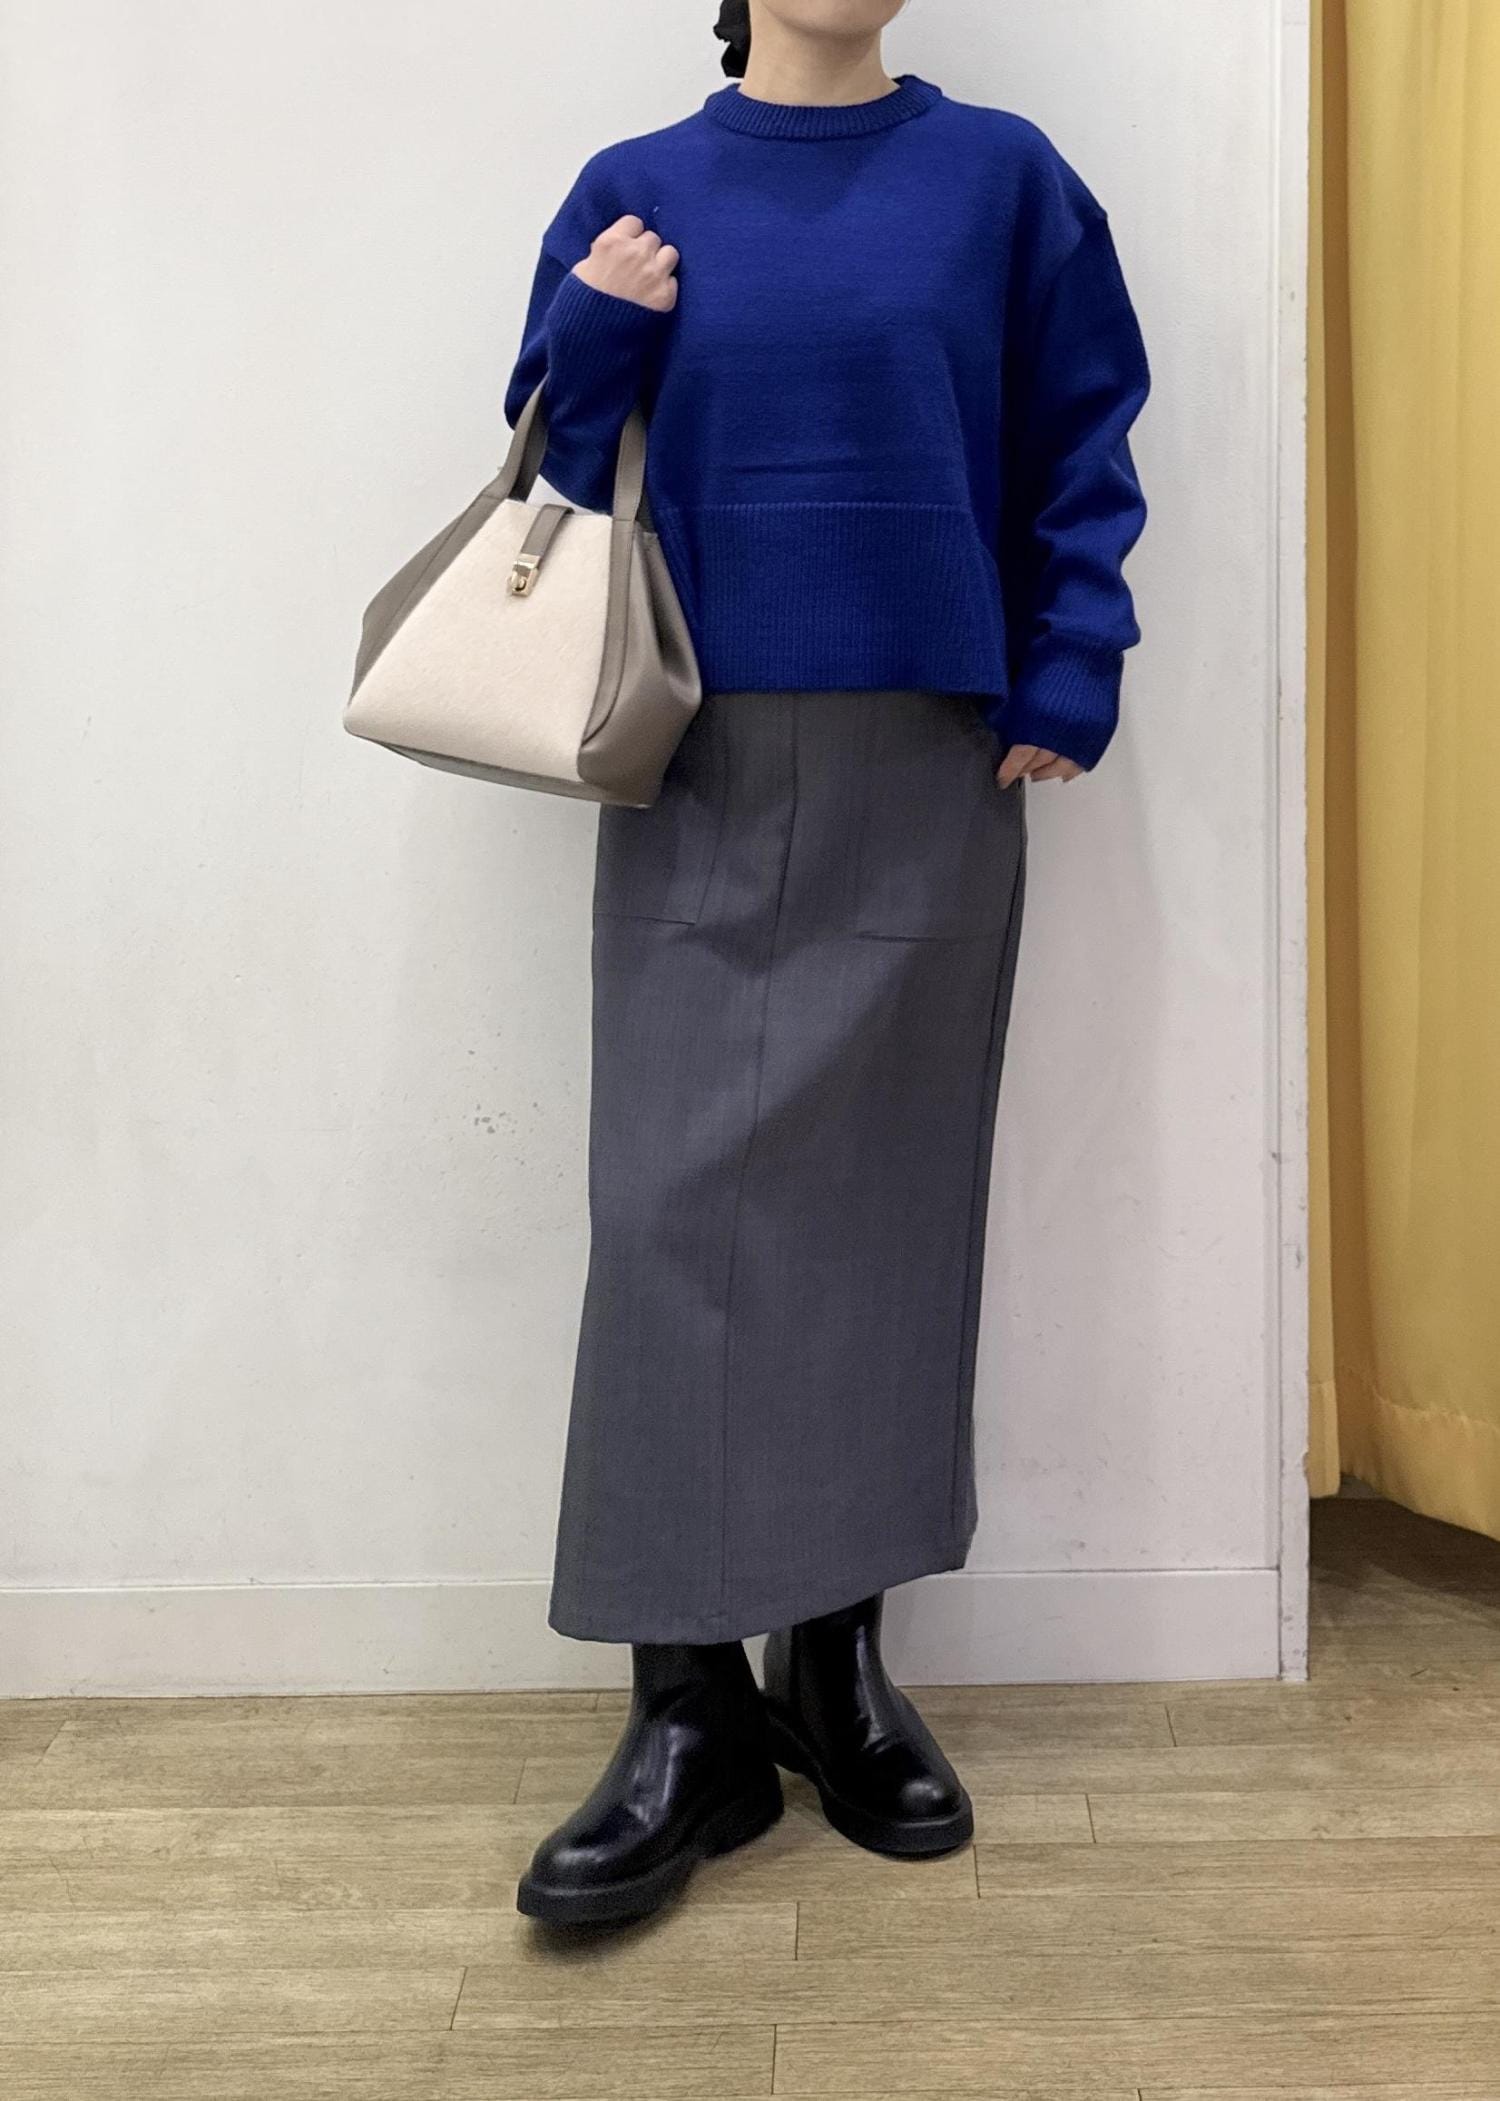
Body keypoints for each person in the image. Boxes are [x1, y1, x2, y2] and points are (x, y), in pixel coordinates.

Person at [505, 0, 1150, 1926]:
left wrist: (1071, 658)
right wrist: (597, 331)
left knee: (884, 1206)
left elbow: (1081, 434)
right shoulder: (639, 190)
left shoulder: (1004, 182)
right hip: (690, 749)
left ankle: (835, 1661)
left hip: (930, 751)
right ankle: (685, 1706)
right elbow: (555, 481)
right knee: (671, 1216)